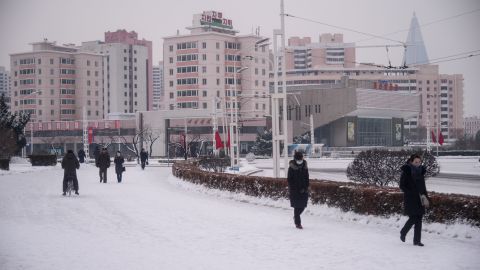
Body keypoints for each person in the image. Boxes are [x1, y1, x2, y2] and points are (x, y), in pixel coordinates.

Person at [399, 154, 430, 247]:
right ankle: (403, 232)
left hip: (420, 198)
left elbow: (423, 187)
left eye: (419, 162)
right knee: (413, 217)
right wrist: (411, 192)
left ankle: (417, 241)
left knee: (419, 219)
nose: (418, 164)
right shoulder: (407, 171)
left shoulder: (421, 171)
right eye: (416, 162)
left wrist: (426, 197)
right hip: (410, 198)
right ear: (411, 162)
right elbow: (402, 186)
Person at [287, 151, 309, 229]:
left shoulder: (305, 166)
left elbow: (307, 178)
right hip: (295, 191)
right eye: (298, 159)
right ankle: (298, 223)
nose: (300, 160)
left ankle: (296, 217)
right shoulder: (291, 167)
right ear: (295, 159)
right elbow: (289, 179)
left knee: (303, 206)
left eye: (301, 159)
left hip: (304, 190)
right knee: (297, 207)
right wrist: (295, 188)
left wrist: (306, 187)